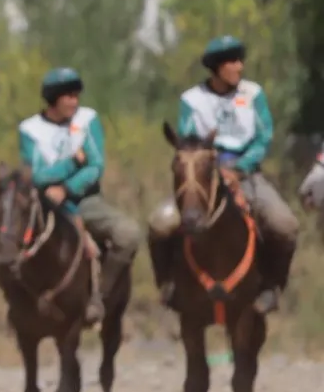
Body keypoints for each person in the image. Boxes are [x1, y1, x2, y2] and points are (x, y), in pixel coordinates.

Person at [149, 36, 297, 314]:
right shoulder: (192, 100)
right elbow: (187, 144)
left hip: (247, 173)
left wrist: (240, 167)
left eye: (240, 60)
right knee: (159, 224)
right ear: (217, 68)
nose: (240, 67)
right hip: (204, 177)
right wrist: (213, 170)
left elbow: (263, 138)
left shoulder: (253, 94)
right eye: (233, 62)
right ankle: (169, 284)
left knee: (284, 224)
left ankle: (271, 287)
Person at [18, 68, 140, 324]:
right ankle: (18, 303)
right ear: (53, 99)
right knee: (0, 243)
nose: (75, 101)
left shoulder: (87, 120)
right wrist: (74, 162)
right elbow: (38, 176)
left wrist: (67, 187)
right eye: (68, 96)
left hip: (85, 199)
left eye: (76, 96)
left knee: (128, 234)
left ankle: (100, 296)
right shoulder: (30, 130)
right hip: (43, 202)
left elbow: (95, 166)